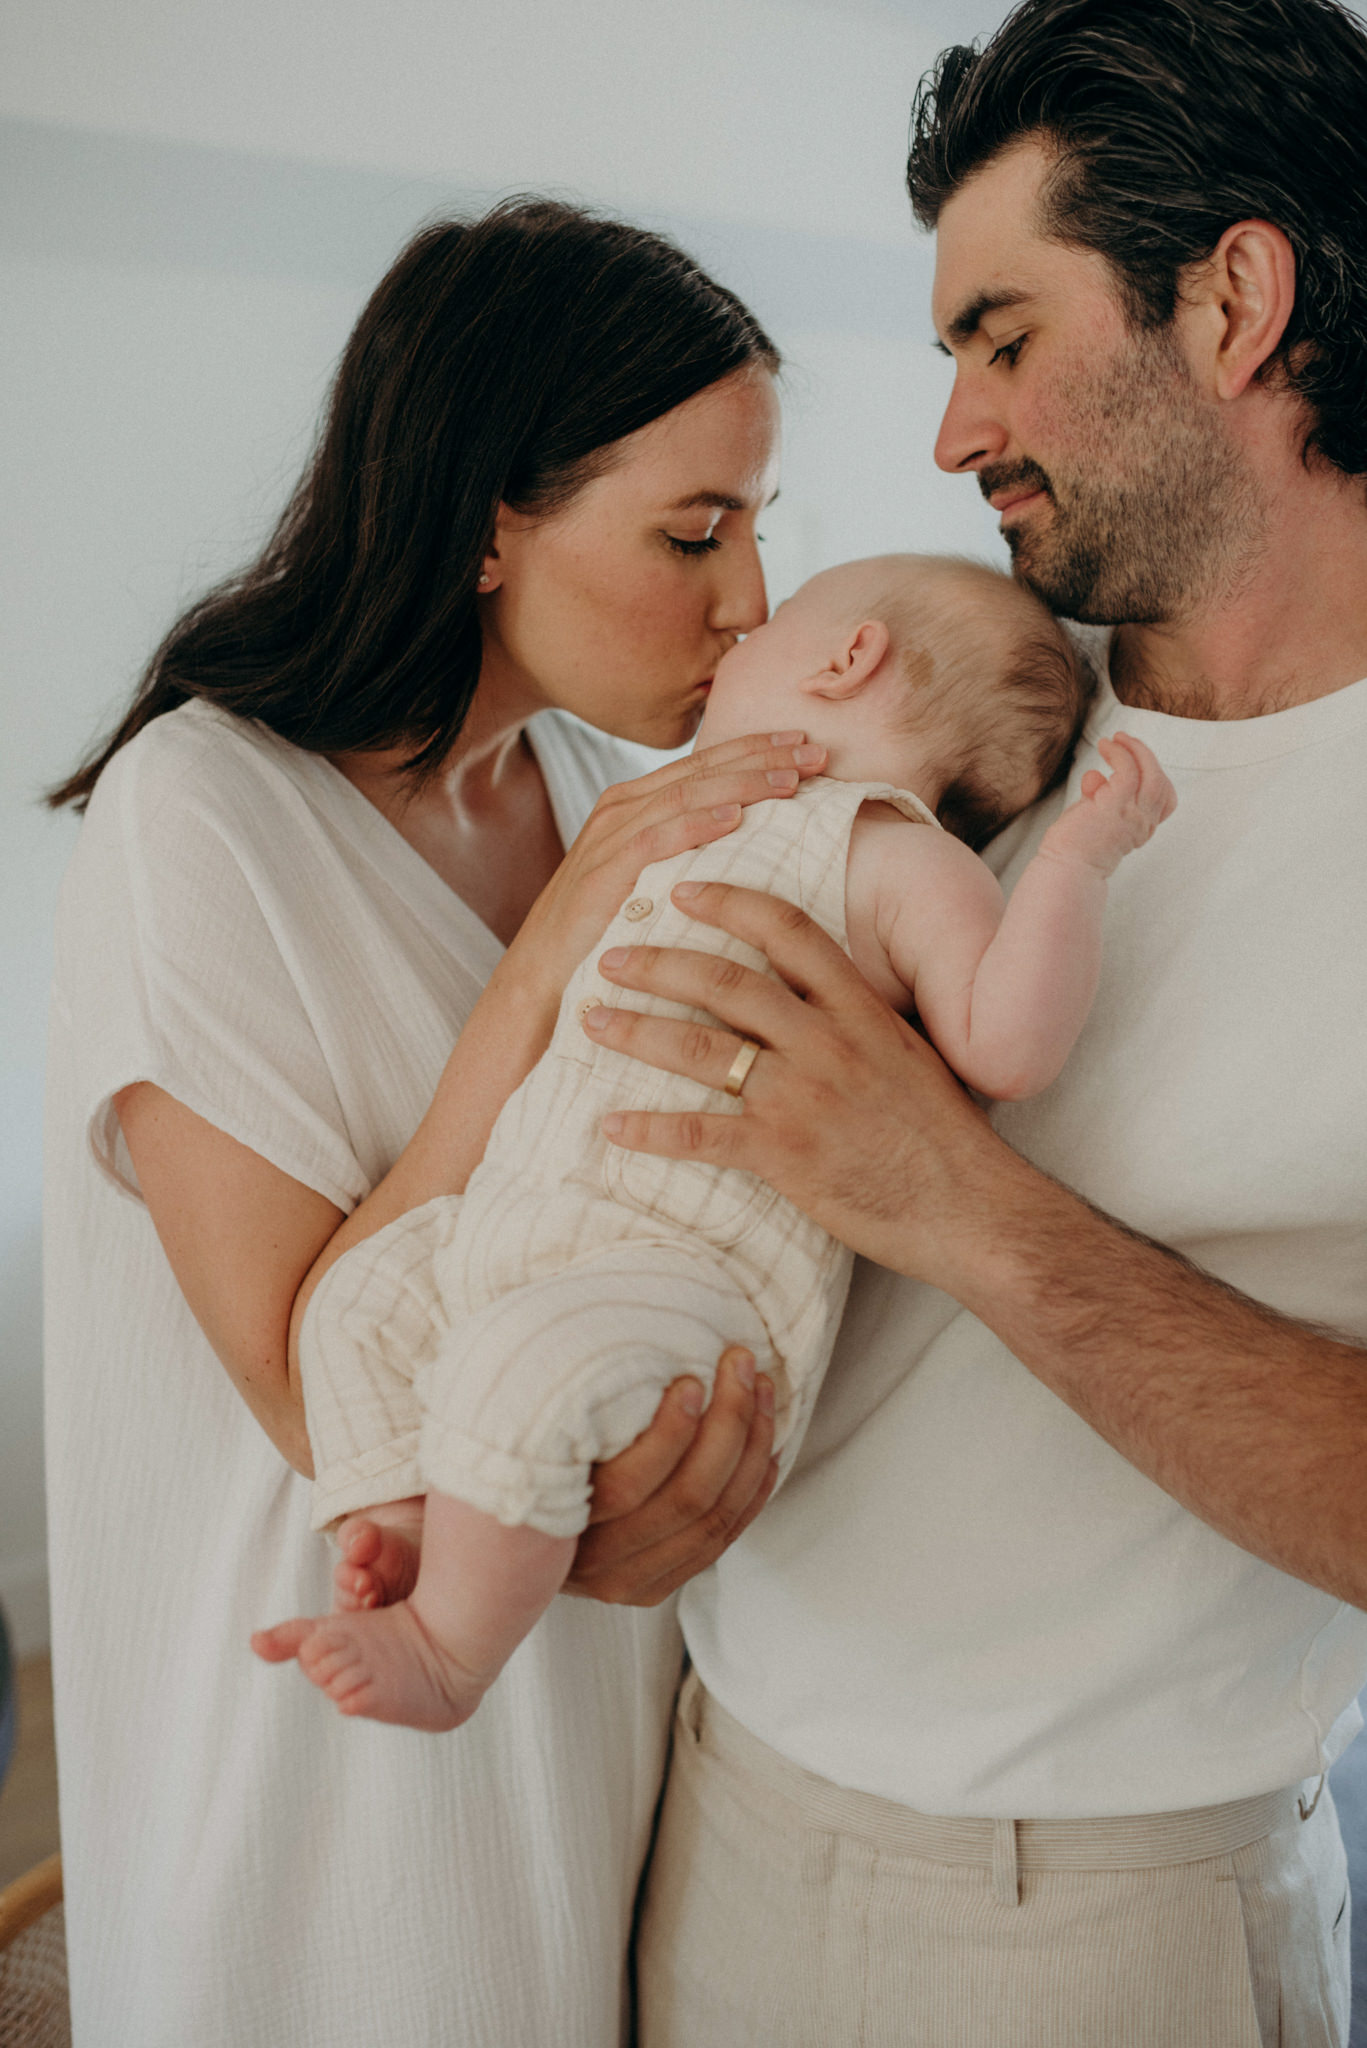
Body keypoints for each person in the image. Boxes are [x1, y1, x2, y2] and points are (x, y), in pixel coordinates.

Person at [570, 3, 1367, 2044]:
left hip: (1089, 1926)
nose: (946, 433)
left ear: (1234, 301)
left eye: (998, 336)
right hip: (717, 1793)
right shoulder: (978, 690)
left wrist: (959, 1203)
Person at [42, 197, 815, 2048]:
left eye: (758, 528)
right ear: (488, 518)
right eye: (693, 533)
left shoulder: (582, 785)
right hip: (328, 1751)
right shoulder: (202, 812)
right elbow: (323, 1384)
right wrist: (546, 955)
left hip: (587, 1690)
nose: (752, 605)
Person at [253, 554, 1173, 1732]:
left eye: (777, 618)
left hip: (683, 1275)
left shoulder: (895, 856)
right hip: (526, 1214)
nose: (740, 620)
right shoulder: (672, 814)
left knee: (521, 1371)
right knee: (356, 1303)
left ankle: (448, 1651)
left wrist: (1075, 863)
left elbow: (1004, 1043)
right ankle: (404, 1523)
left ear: (845, 658)